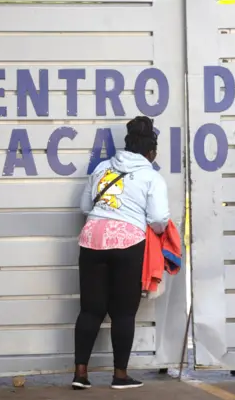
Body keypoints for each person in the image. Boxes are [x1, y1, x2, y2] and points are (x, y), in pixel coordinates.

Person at [72, 116, 169, 390]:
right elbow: (159, 218)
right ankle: (120, 375)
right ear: (151, 152)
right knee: (123, 312)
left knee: (90, 310)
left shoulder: (103, 168)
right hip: (127, 242)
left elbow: (84, 206)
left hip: (91, 240)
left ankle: (80, 374)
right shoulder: (152, 176)